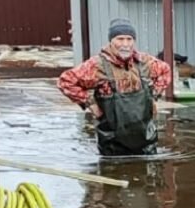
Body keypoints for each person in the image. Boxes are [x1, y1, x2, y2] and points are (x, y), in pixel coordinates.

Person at [58, 18, 172, 156]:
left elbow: (165, 71)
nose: (125, 44)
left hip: (145, 142)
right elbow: (65, 81)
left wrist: (154, 97)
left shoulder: (144, 63)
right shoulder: (97, 65)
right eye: (120, 39)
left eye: (129, 39)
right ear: (111, 41)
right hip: (112, 146)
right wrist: (90, 103)